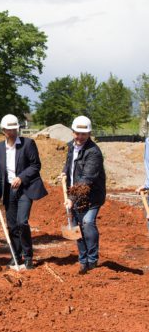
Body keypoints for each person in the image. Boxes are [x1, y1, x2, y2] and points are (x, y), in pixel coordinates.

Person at [0, 114, 47, 270]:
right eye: (9, 129)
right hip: (8, 191)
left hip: (24, 189)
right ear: (3, 130)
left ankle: (28, 256)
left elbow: (36, 165)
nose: (12, 132)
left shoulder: (28, 144)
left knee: (22, 222)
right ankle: (16, 256)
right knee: (12, 225)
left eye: (14, 128)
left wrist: (21, 178)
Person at [62, 116, 106, 274]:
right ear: (72, 132)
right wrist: (64, 172)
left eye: (84, 134)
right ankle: (83, 260)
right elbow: (70, 163)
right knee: (76, 227)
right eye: (77, 133)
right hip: (74, 194)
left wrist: (72, 199)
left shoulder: (94, 152)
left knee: (87, 223)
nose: (80, 137)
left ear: (89, 134)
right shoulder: (71, 147)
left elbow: (86, 179)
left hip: (92, 195)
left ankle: (92, 260)